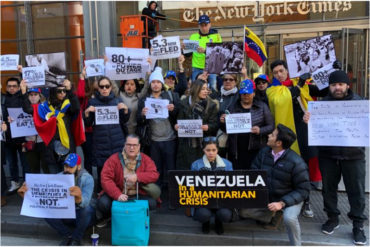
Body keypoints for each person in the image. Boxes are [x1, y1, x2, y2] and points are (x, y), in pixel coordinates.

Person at [303, 70, 367, 245]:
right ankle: (333, 218)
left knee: (357, 191)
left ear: (347, 85)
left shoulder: (359, 103)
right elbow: (315, 130)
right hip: (328, 155)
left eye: (340, 84)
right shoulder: (322, 104)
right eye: (333, 85)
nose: (337, 88)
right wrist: (308, 120)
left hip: (354, 156)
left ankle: (358, 225)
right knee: (328, 189)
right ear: (329, 87)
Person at [267, 59, 327, 218]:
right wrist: (299, 84)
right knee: (289, 169)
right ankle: (288, 201)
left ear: (287, 70)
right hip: (287, 135)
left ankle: (306, 201)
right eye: (275, 73)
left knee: (304, 169)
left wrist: (331, 73)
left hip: (305, 131)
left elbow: (324, 91)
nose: (279, 75)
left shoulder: (302, 85)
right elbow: (286, 98)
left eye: (281, 71)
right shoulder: (273, 90)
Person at [251, 124, 310, 246]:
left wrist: (282, 203)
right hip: (269, 196)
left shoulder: (297, 162)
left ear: (278, 143)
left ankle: (296, 244)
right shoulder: (263, 153)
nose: (268, 135)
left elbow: (303, 191)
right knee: (243, 211)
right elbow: (254, 172)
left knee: (289, 218)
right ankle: (274, 215)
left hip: (291, 199)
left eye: (272, 135)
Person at [17, 153, 95, 246]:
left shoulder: (87, 178)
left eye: (70, 167)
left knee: (87, 210)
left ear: (79, 167)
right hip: (66, 214)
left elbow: (86, 202)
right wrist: (27, 194)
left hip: (81, 216)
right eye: (65, 166)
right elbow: (43, 196)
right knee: (45, 209)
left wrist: (79, 198)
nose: (67, 169)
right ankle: (67, 235)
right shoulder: (59, 176)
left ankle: (76, 238)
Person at [96, 134, 160, 227]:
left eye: (134, 145)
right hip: (119, 193)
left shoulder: (145, 159)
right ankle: (110, 218)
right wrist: (117, 195)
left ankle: (138, 220)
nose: (132, 148)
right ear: (124, 145)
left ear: (139, 146)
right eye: (129, 145)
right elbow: (105, 179)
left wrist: (138, 176)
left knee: (152, 203)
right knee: (103, 203)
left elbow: (154, 175)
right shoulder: (114, 159)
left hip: (138, 194)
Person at [84, 76, 130, 192]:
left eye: (107, 86)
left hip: (117, 141)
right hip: (100, 143)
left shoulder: (117, 100)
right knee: (102, 173)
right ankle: (102, 197)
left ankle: (119, 194)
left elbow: (124, 120)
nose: (104, 89)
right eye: (102, 86)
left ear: (110, 88)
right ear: (98, 88)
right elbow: (88, 123)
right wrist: (87, 113)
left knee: (118, 171)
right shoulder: (92, 102)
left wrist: (125, 110)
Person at [137, 66, 179, 190]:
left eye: (158, 82)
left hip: (170, 139)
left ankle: (173, 196)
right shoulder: (144, 100)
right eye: (153, 82)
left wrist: (173, 110)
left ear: (162, 84)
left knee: (171, 169)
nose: (155, 85)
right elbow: (139, 121)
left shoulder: (171, 97)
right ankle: (157, 194)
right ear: (150, 84)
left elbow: (179, 114)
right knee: (156, 169)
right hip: (154, 141)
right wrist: (142, 115)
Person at [28, 79, 82, 174]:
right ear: (53, 92)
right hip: (51, 148)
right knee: (54, 177)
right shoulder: (45, 107)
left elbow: (76, 108)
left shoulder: (68, 106)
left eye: (64, 91)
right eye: (59, 91)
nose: (62, 93)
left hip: (67, 145)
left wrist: (70, 91)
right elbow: (28, 109)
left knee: (68, 176)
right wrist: (24, 92)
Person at [220, 79, 274, 170]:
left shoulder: (262, 106)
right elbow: (226, 130)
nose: (245, 96)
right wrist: (222, 122)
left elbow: (271, 126)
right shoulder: (232, 107)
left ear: (253, 93)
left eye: (248, 93)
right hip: (236, 151)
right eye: (243, 93)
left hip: (256, 150)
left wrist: (260, 130)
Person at [191, 137, 233, 235]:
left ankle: (219, 222)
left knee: (225, 215)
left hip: (222, 199)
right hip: (203, 200)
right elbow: (191, 187)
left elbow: (232, 185)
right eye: (208, 150)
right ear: (203, 150)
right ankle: (206, 222)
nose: (211, 153)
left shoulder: (227, 164)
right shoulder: (196, 165)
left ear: (217, 150)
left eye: (214, 150)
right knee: (203, 214)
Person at [175, 79, 218, 171]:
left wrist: (208, 127)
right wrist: (177, 126)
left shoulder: (212, 105)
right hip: (186, 144)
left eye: (207, 89)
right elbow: (179, 120)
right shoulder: (183, 103)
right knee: (186, 170)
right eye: (203, 89)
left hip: (203, 145)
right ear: (196, 89)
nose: (206, 91)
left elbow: (215, 124)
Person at [2, 77, 30, 192]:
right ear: (6, 87)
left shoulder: (24, 97)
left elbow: (28, 110)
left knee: (25, 163)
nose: (12, 88)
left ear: (19, 87)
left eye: (14, 86)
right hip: (8, 136)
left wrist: (20, 72)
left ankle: (25, 184)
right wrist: (5, 119)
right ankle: (14, 182)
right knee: (12, 162)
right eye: (9, 86)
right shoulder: (3, 99)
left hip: (22, 136)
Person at [20, 82, 49, 174]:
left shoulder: (44, 107)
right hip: (29, 142)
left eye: (35, 95)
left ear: (40, 96)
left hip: (43, 142)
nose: (33, 97)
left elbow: (29, 110)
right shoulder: (22, 106)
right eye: (31, 95)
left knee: (46, 168)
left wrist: (24, 92)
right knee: (33, 168)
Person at [188, 14, 222, 91]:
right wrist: (183, 49)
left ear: (210, 24)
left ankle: (211, 102)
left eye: (205, 25)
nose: (204, 27)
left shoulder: (216, 36)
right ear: (198, 26)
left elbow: (219, 54)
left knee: (212, 89)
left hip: (211, 68)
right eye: (201, 25)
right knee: (196, 89)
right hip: (197, 67)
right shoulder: (193, 37)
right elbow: (188, 54)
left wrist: (205, 51)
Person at [76, 67, 99, 175]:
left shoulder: (102, 93)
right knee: (88, 157)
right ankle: (89, 179)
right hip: (88, 131)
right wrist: (82, 77)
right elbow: (79, 94)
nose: (98, 82)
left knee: (100, 157)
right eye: (96, 80)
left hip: (99, 131)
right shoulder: (84, 97)